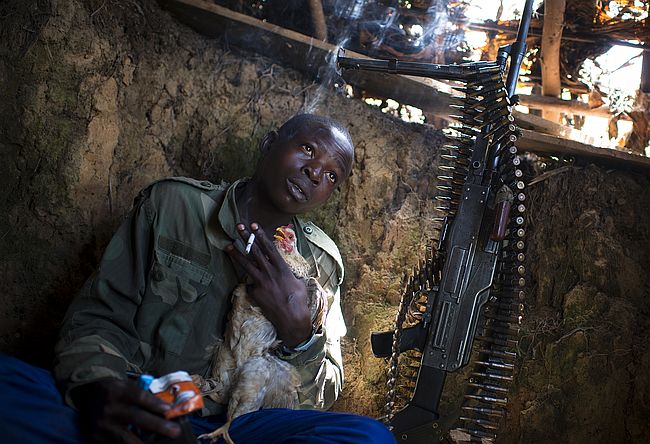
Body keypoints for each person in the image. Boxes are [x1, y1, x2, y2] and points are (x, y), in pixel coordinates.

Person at [0, 114, 396, 444]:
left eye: (331, 175)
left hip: (238, 426)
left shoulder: (321, 263)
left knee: (368, 437)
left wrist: (298, 334)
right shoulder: (174, 206)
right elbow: (97, 318)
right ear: (269, 142)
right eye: (308, 149)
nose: (314, 172)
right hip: (150, 402)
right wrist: (100, 389)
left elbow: (319, 395)